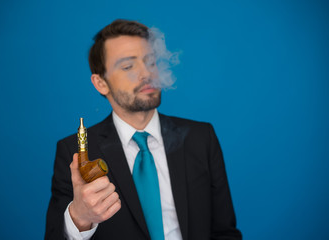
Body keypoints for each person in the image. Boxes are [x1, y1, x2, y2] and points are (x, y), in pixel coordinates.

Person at [45, 19, 242, 240]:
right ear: (101, 83)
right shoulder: (74, 150)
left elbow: (225, 232)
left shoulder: (200, 138)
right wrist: (79, 218)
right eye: (128, 66)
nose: (146, 74)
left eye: (150, 62)